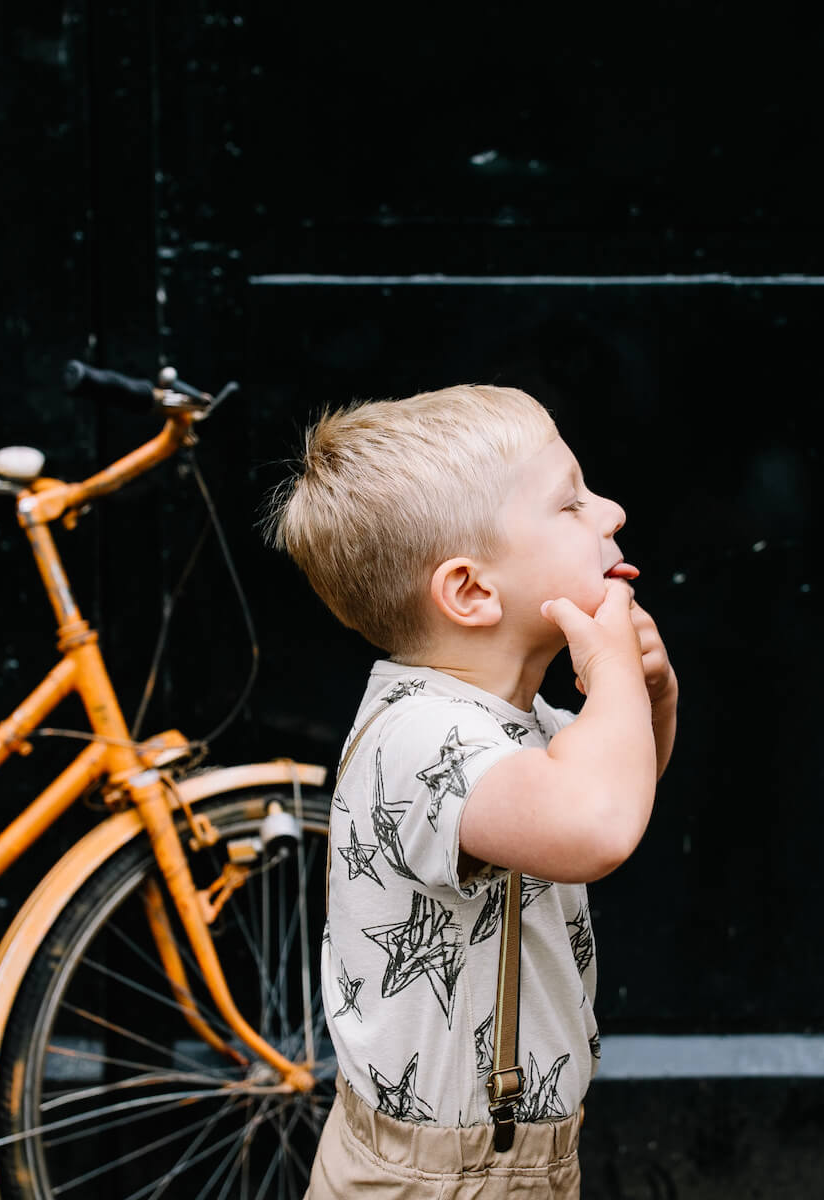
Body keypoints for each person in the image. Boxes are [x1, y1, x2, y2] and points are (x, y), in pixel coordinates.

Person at [266, 383, 677, 1197]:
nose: (612, 512)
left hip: (513, 1157)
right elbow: (597, 827)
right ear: (470, 592)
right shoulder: (423, 741)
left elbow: (623, 790)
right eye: (571, 504)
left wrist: (649, 697)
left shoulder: (509, 722)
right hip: (436, 1178)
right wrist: (612, 677)